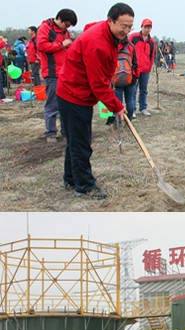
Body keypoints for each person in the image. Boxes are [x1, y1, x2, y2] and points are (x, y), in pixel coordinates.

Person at [56, 3, 134, 199]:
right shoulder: (97, 43)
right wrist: (117, 107)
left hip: (73, 91)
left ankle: (71, 178)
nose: (126, 31)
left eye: (130, 26)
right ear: (110, 21)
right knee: (81, 142)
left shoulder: (106, 33)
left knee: (75, 140)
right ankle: (85, 186)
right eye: (123, 26)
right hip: (74, 94)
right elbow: (98, 85)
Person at [37, 9, 77, 142]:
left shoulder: (65, 32)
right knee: (52, 104)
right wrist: (61, 44)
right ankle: (50, 132)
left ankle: (66, 131)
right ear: (59, 19)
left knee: (67, 103)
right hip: (52, 72)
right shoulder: (45, 28)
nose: (67, 27)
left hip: (66, 73)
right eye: (66, 24)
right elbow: (41, 46)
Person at [130, 18, 156, 117]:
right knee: (133, 89)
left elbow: (152, 56)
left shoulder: (152, 41)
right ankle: (132, 109)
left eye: (149, 27)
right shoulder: (133, 37)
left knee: (144, 89)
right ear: (142, 26)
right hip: (135, 68)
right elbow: (128, 49)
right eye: (146, 27)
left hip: (145, 69)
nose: (147, 29)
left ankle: (143, 108)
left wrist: (149, 67)